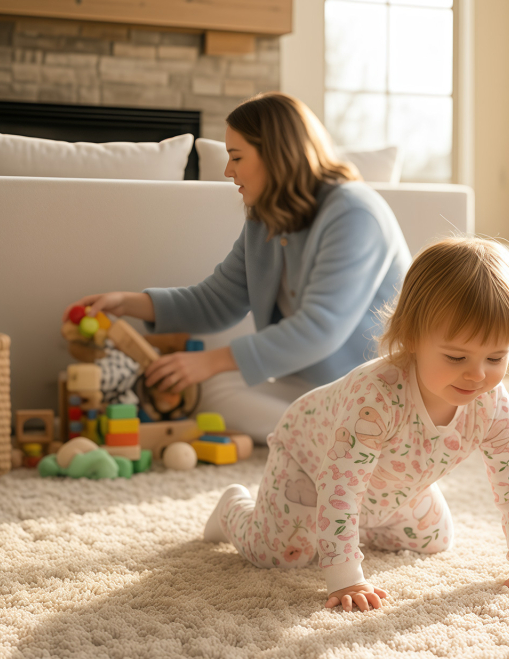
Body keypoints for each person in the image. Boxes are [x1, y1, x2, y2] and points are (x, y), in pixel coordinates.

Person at [203, 236, 509, 612]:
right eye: (456, 357)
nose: (477, 374)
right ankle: (233, 508)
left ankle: (364, 520)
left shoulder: (493, 404)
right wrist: (346, 577)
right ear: (411, 337)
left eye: (495, 356)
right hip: (310, 463)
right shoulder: (376, 397)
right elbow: (340, 483)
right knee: (279, 553)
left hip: (392, 481)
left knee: (434, 539)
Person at [62, 93, 412, 442]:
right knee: (211, 393)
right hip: (315, 387)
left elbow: (320, 328)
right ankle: (332, 436)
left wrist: (210, 361)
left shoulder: (354, 213)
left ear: (276, 156)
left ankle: (355, 436)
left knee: (210, 375)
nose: (228, 171)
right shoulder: (266, 218)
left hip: (373, 390)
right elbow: (216, 300)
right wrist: (126, 304)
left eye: (237, 157)